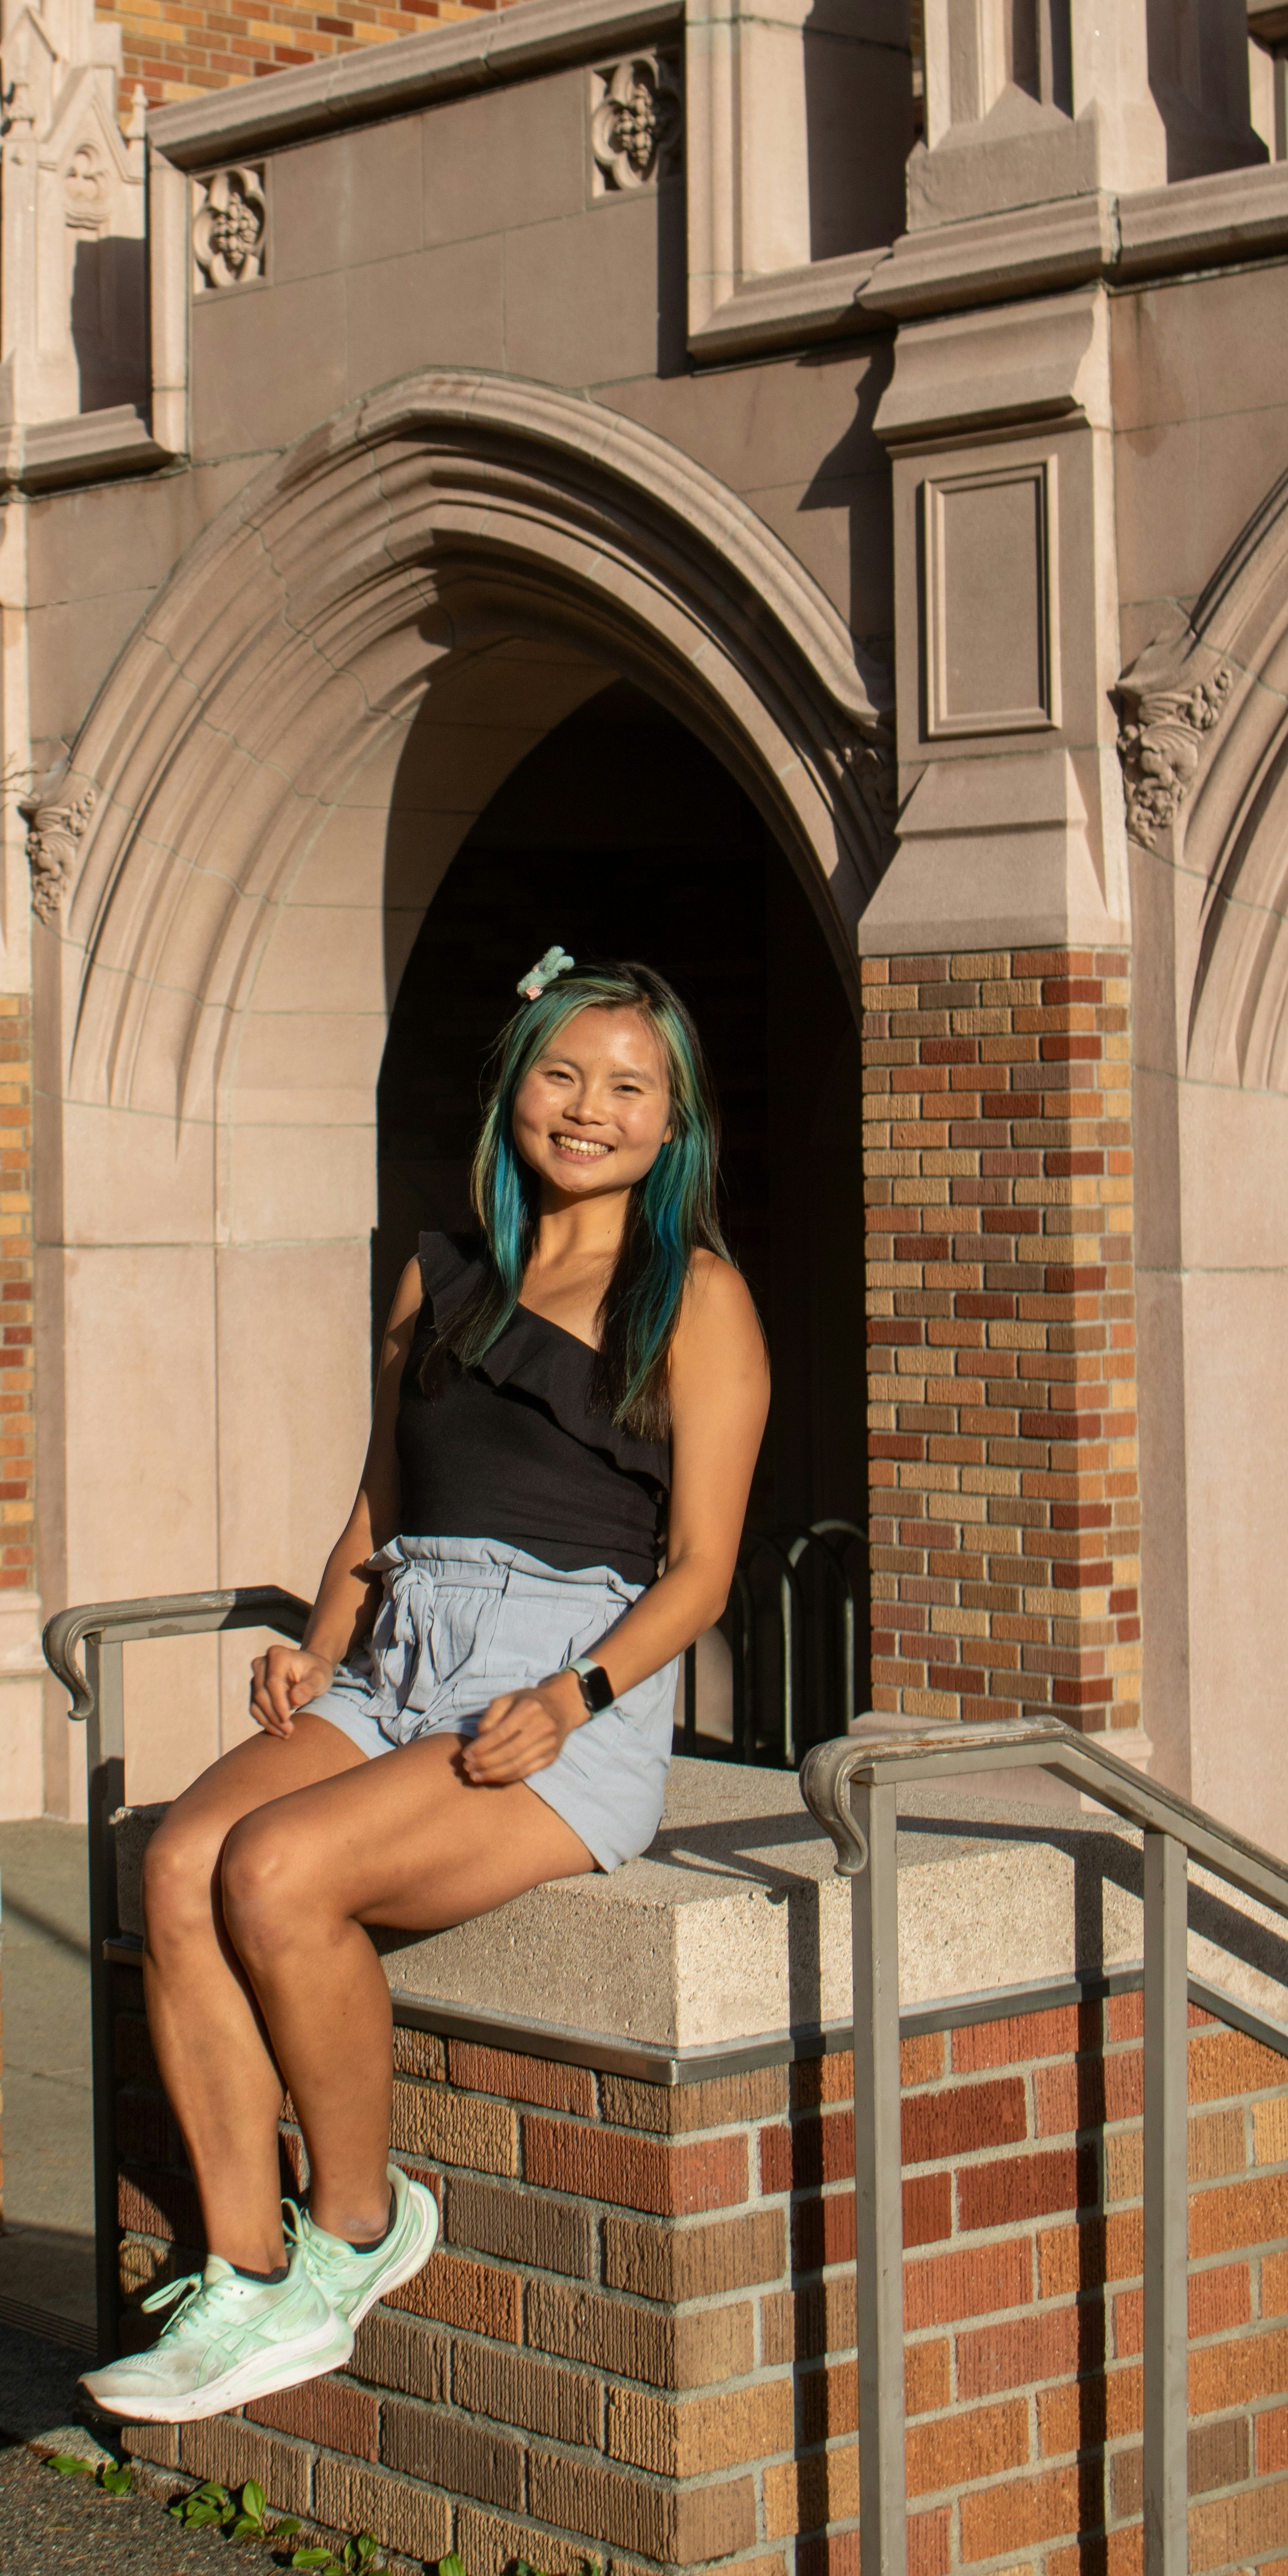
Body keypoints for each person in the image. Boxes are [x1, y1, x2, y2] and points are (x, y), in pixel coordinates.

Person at [82, 951, 769, 2424]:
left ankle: (356, 2230)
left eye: (629, 1089)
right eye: (563, 1075)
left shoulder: (696, 1295)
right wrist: (324, 1645)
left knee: (275, 1875)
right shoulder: (439, 1269)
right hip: (401, 1658)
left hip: (557, 1680)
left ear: (673, 1125)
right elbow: (382, 1501)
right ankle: (248, 2277)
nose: (589, 1110)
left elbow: (703, 1570)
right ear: (516, 1083)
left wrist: (578, 1695)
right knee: (181, 1860)